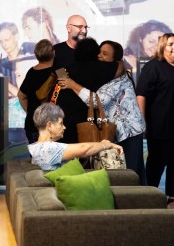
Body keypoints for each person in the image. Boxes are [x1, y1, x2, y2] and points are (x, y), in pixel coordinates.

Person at [59, 40, 146, 184]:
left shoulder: (117, 79)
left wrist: (71, 84)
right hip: (122, 131)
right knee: (132, 171)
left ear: (115, 60)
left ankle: (136, 201)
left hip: (129, 131)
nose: (99, 56)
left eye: (105, 54)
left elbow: (96, 101)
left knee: (130, 174)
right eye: (99, 52)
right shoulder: (109, 75)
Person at [135, 33, 174, 209]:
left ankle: (173, 199)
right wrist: (142, 121)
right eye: (170, 44)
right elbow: (141, 95)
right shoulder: (153, 67)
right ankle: (149, 197)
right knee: (156, 164)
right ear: (162, 46)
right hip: (161, 127)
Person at [55, 38, 123, 144]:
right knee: (88, 157)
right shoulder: (101, 68)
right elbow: (120, 67)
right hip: (87, 126)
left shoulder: (67, 69)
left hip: (65, 122)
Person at [27, 103, 123, 171]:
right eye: (61, 123)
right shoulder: (46, 149)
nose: (64, 127)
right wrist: (106, 144)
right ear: (50, 126)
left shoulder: (39, 147)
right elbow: (84, 149)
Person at [18, 39, 55, 144]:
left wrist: (30, 113)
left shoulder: (31, 72)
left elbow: (21, 96)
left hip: (32, 124)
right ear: (53, 53)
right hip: (52, 126)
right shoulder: (58, 73)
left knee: (36, 158)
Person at [0, 22, 34, 97]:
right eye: (0, 41)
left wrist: (5, 84)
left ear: (16, 37)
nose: (4, 44)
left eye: (7, 40)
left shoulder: (29, 61)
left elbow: (28, 97)